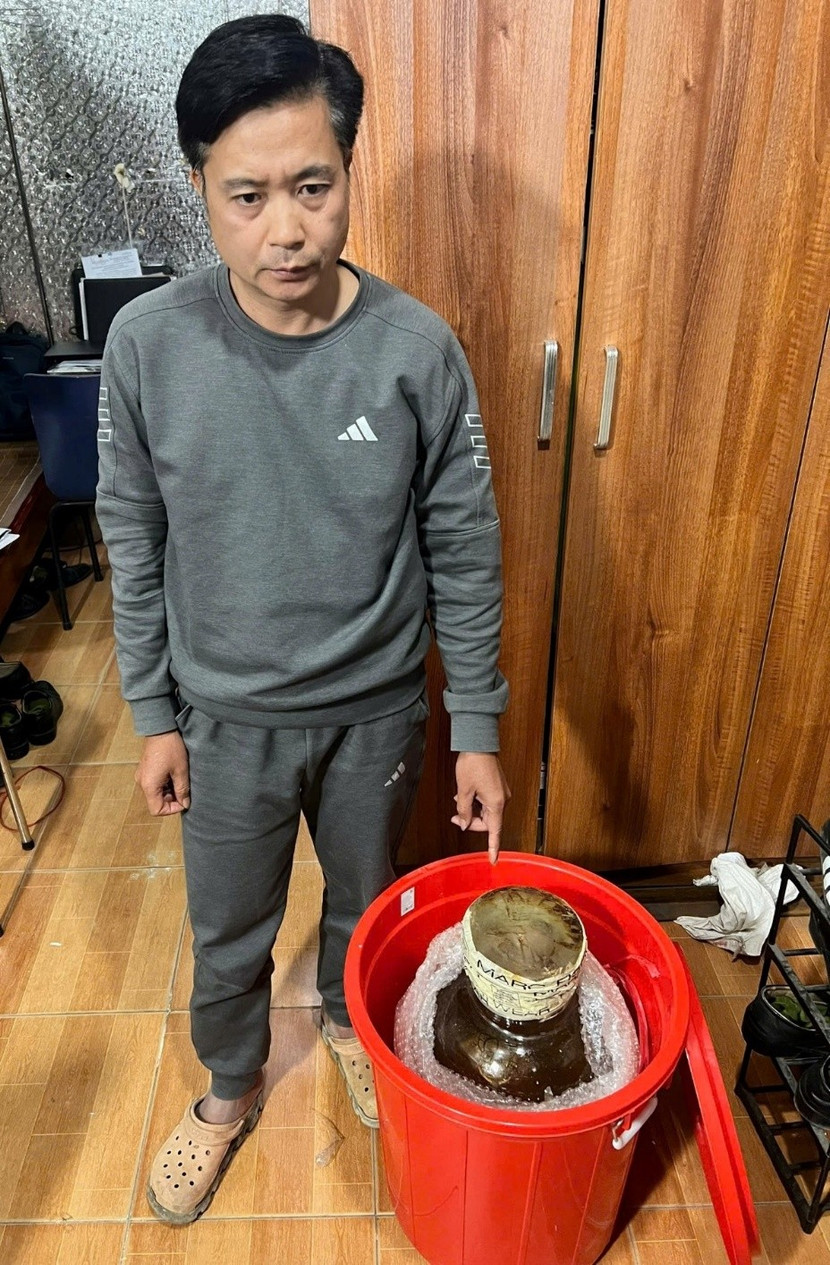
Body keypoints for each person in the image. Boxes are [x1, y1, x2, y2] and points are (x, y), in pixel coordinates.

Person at [96, 13, 510, 1226]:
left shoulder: (415, 350)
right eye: (247, 195)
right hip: (223, 716)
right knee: (228, 924)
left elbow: (463, 544)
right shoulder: (148, 344)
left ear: (347, 171)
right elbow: (132, 535)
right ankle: (227, 1088)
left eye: (312, 187)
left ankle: (347, 1024)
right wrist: (153, 711)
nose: (285, 228)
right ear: (199, 187)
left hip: (375, 709)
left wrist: (473, 724)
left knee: (366, 903)